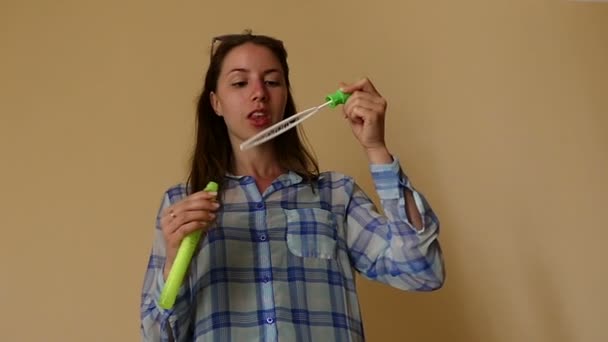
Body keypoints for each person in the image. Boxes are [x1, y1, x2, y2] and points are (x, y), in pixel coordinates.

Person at [140, 32, 445, 342]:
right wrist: (174, 259)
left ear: (285, 96)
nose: (259, 93)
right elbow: (157, 336)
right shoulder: (183, 204)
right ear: (215, 103)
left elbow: (421, 270)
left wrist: (376, 147)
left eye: (272, 82)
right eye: (240, 83)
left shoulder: (336, 195)